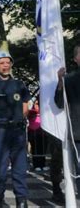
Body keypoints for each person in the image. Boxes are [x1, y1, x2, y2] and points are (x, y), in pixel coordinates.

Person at [0, 50, 30, 208]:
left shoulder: (19, 84)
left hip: (17, 132)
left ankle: (21, 201)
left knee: (20, 170)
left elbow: (25, 104)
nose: (6, 65)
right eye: (2, 63)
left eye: (8, 62)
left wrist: (20, 118)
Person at [55, 43, 80, 198]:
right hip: (78, 131)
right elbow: (59, 102)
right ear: (76, 58)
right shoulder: (69, 79)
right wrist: (60, 81)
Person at [27, 98, 46, 171]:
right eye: (36, 104)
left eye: (38, 104)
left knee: (42, 148)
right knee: (35, 148)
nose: (36, 105)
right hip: (32, 131)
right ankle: (36, 164)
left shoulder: (43, 110)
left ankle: (42, 164)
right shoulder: (31, 111)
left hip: (41, 131)